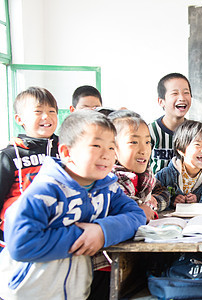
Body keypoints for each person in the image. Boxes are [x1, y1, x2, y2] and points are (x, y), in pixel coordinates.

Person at [0, 110, 146, 300]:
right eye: (96, 145)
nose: (106, 155)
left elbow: (136, 215)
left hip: (74, 292)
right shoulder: (45, 191)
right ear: (67, 152)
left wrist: (102, 232)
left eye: (111, 147)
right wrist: (82, 237)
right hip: (28, 292)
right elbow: (21, 243)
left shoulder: (106, 188)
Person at [0, 87, 59, 251]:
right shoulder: (10, 155)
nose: (46, 116)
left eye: (51, 111)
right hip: (16, 238)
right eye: (38, 111)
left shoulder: (67, 150)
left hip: (57, 235)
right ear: (19, 119)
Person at [109, 109, 170, 222]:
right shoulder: (109, 180)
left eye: (147, 142)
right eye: (134, 142)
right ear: (112, 148)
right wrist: (140, 208)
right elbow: (119, 206)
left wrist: (154, 201)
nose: (144, 150)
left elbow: (164, 192)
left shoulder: (146, 175)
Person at [149, 73, 192, 174]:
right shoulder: (150, 132)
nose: (182, 98)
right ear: (161, 101)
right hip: (157, 188)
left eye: (186, 92)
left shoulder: (195, 132)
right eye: (174, 93)